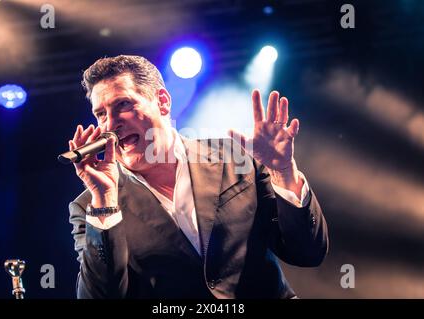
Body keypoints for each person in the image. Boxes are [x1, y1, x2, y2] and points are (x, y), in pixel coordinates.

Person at [68, 55, 328, 299]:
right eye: (100, 114)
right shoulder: (91, 206)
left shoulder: (234, 157)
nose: (110, 124)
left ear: (162, 101)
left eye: (122, 104)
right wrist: (104, 199)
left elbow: (307, 252)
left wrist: (283, 171)